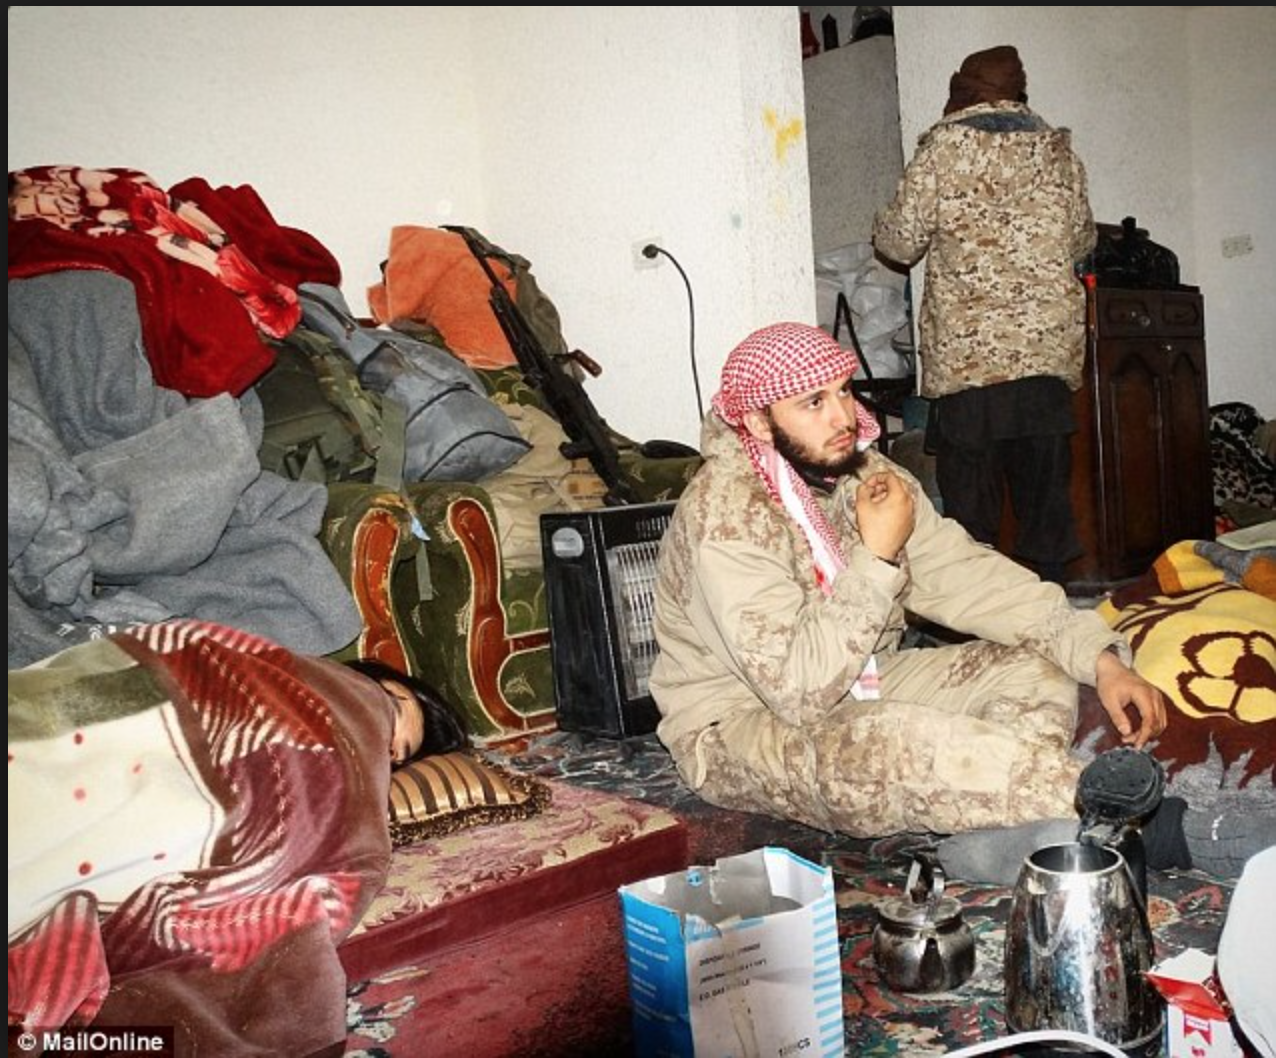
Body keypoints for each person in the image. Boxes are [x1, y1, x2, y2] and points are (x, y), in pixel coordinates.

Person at [649, 321, 1164, 847]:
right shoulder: (725, 517)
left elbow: (966, 575)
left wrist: (1098, 657)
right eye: (813, 403)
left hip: (862, 679)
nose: (842, 417)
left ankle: (994, 831)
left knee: (1036, 670)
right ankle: (1109, 808)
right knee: (891, 744)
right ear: (759, 422)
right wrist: (876, 556)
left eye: (843, 391)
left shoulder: (859, 472)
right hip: (740, 723)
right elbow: (798, 691)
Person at [872, 45, 1094, 585]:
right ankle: (1053, 610)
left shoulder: (942, 150)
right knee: (1045, 504)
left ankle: (976, 619)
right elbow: (1083, 241)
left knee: (971, 515)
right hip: (1042, 358)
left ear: (965, 92)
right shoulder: (1059, 154)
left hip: (970, 362)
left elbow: (898, 244)